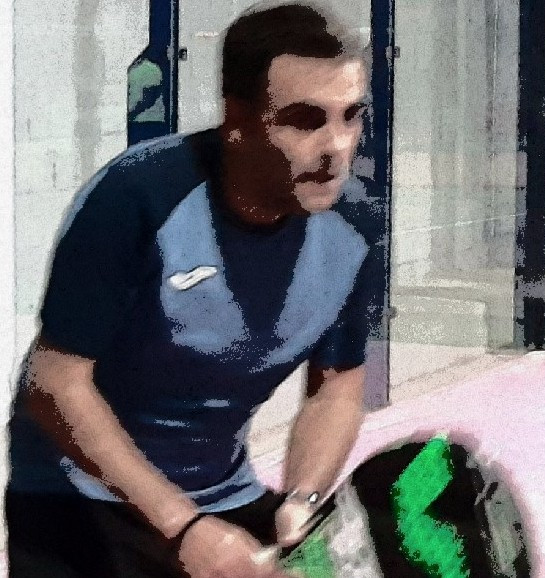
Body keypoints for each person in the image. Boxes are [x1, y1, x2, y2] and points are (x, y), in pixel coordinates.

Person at [6, 2, 373, 577]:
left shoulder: (356, 226)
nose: (336, 148)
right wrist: (183, 527)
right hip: (76, 498)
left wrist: (301, 501)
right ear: (238, 119)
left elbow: (337, 389)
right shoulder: (135, 197)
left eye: (350, 116)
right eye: (305, 120)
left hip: (221, 494)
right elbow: (54, 382)